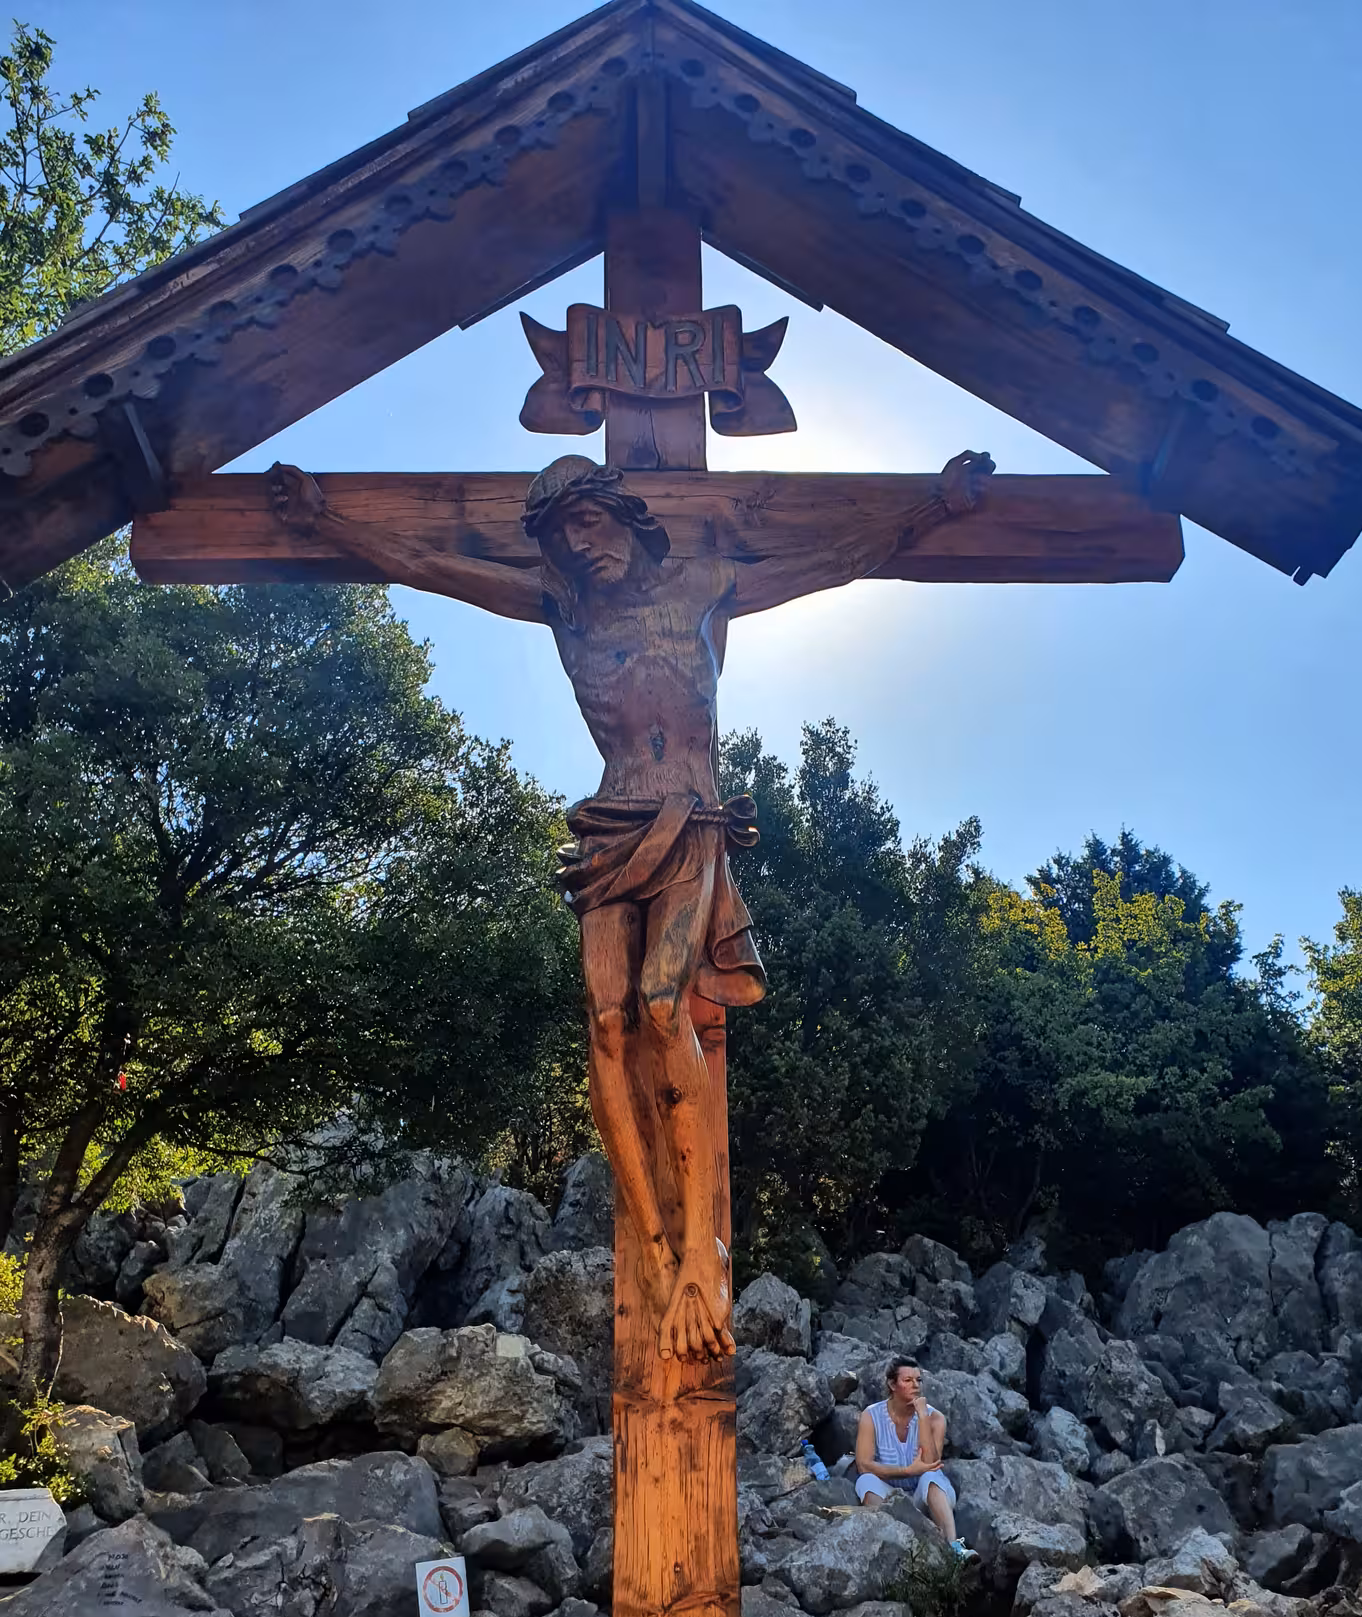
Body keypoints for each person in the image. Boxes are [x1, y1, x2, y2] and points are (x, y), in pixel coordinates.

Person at [268, 451, 992, 1363]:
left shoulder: (701, 582)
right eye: (562, 533)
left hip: (690, 823)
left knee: (661, 1006)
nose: (581, 543)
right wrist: (326, 521)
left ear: (624, 515)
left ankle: (702, 1250)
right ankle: (657, 1246)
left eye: (591, 521)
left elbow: (833, 560)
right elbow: (429, 566)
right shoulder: (566, 607)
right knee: (607, 1026)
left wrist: (931, 504)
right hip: (610, 826)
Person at [856, 1355, 977, 1560]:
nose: (916, 1386)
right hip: (891, 1495)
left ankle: (953, 1548)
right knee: (865, 1481)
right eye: (908, 1380)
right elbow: (863, 1465)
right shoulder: (871, 1415)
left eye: (918, 1380)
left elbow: (931, 1463)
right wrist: (906, 1471)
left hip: (926, 1493)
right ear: (892, 1384)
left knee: (931, 1477)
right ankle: (900, 1543)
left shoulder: (935, 1418)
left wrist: (922, 1417)